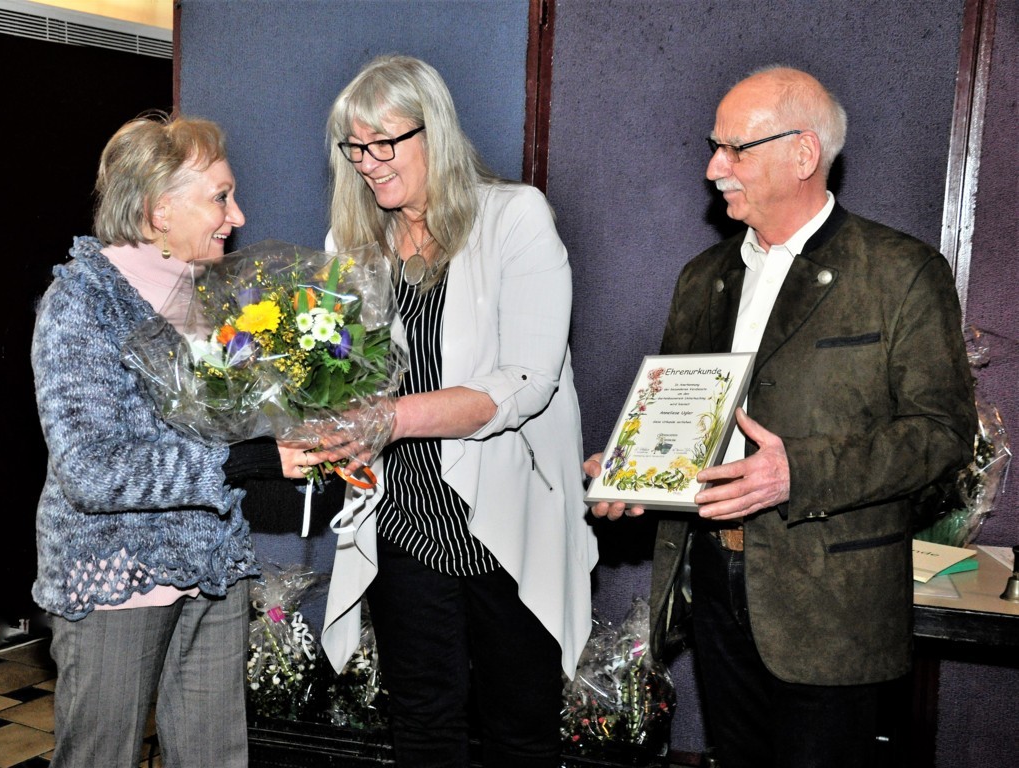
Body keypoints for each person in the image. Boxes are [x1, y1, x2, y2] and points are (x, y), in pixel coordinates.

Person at [585, 66, 977, 768]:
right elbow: (686, 419)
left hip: (832, 605)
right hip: (714, 584)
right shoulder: (702, 278)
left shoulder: (900, 273)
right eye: (715, 147)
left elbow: (942, 436)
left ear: (803, 154)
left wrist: (801, 471)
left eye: (735, 149)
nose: (713, 169)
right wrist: (635, 471)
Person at [314, 55, 598, 768]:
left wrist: (391, 418)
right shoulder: (353, 244)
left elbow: (526, 380)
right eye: (356, 147)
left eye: (386, 142)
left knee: (519, 729)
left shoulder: (514, 216)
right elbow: (340, 375)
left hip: (505, 521)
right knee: (422, 725)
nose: (368, 163)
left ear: (434, 131)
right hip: (405, 520)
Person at [31, 113, 311, 767]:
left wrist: (304, 419)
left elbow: (231, 424)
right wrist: (244, 460)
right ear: (160, 211)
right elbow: (91, 469)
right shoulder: (82, 305)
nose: (236, 216)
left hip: (214, 567)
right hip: (115, 578)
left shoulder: (213, 300)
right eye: (220, 197)